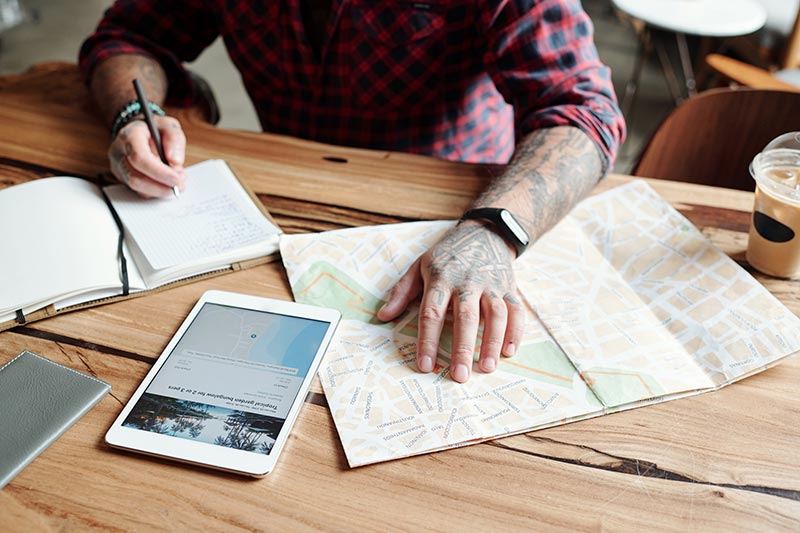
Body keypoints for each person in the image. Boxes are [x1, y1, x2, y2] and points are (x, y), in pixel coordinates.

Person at [79, 0, 625, 384]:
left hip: (453, 221)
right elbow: (127, 37)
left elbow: (584, 111)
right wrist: (131, 114)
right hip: (283, 215)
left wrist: (494, 229)